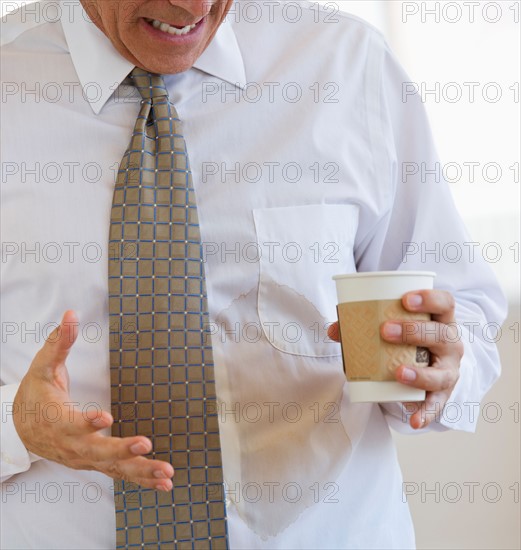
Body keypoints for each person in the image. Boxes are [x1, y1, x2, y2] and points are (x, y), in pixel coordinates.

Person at [0, 0, 507, 548]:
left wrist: (440, 365)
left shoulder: (346, 64)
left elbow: (461, 309)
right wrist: (16, 424)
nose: (192, 7)